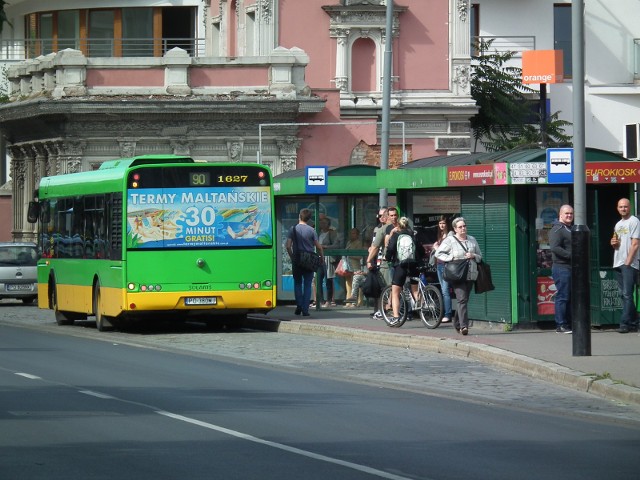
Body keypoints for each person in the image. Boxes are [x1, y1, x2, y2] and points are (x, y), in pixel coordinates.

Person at [434, 217, 482, 335]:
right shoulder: (450, 240)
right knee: (462, 299)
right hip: (456, 274)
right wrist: (451, 258)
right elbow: (438, 253)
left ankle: (457, 323)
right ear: (455, 229)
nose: (463, 229)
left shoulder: (472, 240)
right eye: (460, 227)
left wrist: (473, 255)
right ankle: (464, 326)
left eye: (464, 226)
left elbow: (480, 256)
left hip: (470, 274)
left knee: (464, 299)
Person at [385, 217, 425, 324]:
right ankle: (423, 308)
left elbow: (390, 249)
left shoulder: (396, 235)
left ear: (398, 226)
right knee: (415, 290)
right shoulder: (413, 235)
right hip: (413, 265)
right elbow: (422, 251)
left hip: (400, 266)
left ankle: (396, 317)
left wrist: (387, 258)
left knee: (395, 293)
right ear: (408, 225)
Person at [286, 208, 324, 316]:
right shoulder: (312, 230)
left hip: (297, 259)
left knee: (298, 283)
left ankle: (299, 304)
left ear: (299, 216)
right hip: (309, 260)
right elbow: (319, 247)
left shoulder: (293, 229)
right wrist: (321, 257)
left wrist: (292, 257)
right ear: (309, 219)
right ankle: (305, 309)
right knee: (307, 284)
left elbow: (288, 246)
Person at [611, 198, 640, 333]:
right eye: (621, 207)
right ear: (617, 208)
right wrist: (613, 243)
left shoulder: (634, 221)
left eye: (625, 207)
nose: (623, 209)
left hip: (629, 263)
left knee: (627, 294)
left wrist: (628, 262)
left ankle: (624, 323)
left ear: (630, 207)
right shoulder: (618, 224)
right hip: (618, 262)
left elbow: (635, 243)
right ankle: (634, 322)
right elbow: (617, 244)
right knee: (624, 295)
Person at [549, 205, 574, 333]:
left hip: (570, 268)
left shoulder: (569, 229)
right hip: (561, 267)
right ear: (560, 214)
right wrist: (571, 255)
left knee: (569, 296)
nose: (569, 215)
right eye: (567, 213)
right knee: (563, 296)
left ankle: (568, 323)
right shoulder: (557, 229)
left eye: (571, 213)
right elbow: (555, 247)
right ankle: (561, 325)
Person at [365, 208, 388, 319]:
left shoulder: (388, 228)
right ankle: (377, 309)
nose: (380, 218)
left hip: (384, 260)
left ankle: (383, 310)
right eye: (379, 216)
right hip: (376, 260)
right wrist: (370, 259)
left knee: (384, 287)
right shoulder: (377, 228)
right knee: (376, 287)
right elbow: (374, 245)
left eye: (382, 215)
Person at [432, 215, 453, 323]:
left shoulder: (450, 235)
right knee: (443, 289)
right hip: (439, 264)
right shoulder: (440, 235)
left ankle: (448, 314)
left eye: (443, 223)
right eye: (440, 223)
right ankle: (445, 312)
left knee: (445, 290)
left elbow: (447, 249)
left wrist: (436, 248)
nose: (441, 225)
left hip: (446, 265)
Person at [318, 215, 340, 307]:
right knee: (318, 279)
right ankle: (321, 300)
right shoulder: (318, 233)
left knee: (328, 280)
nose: (322, 224)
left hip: (327, 258)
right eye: (321, 222)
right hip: (319, 258)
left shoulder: (332, 233)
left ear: (328, 224)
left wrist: (325, 247)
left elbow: (336, 245)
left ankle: (329, 300)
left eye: (324, 223)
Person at [344, 227, 366, 307]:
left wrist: (350, 255)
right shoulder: (349, 242)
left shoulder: (359, 243)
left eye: (353, 233)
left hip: (355, 265)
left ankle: (358, 302)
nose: (351, 235)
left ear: (357, 235)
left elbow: (359, 255)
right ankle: (348, 301)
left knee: (356, 283)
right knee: (348, 283)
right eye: (351, 233)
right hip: (348, 265)